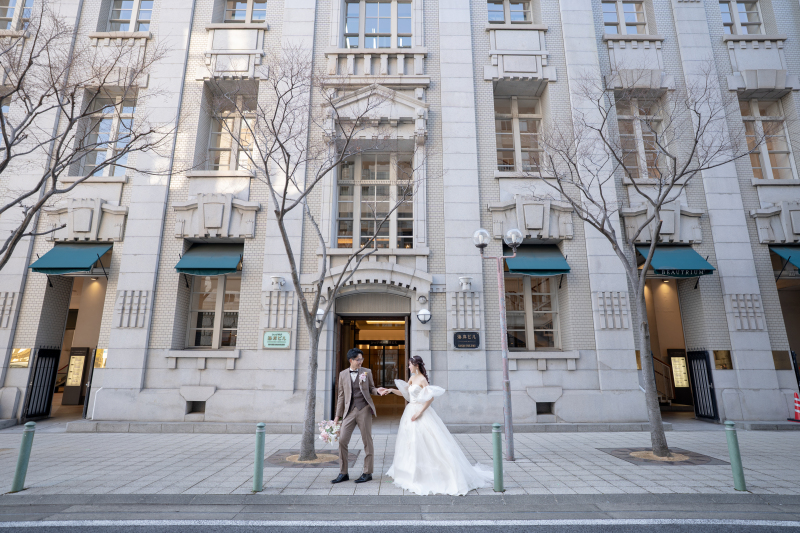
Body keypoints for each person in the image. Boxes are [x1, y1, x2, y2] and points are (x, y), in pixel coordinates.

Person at [383, 355, 493, 495]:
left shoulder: (422, 380)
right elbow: (406, 393)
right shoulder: (412, 378)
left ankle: (430, 472)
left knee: (427, 441)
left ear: (416, 365)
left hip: (420, 412)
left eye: (410, 365)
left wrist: (420, 413)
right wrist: (391, 390)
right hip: (410, 410)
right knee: (410, 441)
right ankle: (411, 470)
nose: (408, 367)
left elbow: (430, 398)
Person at [331, 347, 383, 484]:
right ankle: (343, 472)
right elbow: (341, 396)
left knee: (367, 441)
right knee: (342, 440)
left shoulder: (367, 372)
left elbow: (371, 388)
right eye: (358, 360)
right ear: (351, 360)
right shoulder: (343, 374)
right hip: (349, 411)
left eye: (362, 359)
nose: (361, 362)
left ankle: (368, 472)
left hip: (364, 409)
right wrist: (337, 416)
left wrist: (378, 391)